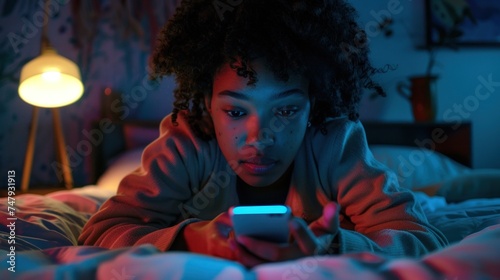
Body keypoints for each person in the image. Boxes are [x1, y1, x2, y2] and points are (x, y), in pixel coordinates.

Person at [79, 0, 448, 267]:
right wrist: (191, 240)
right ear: (207, 103)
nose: (260, 137)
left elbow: (421, 239)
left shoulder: (335, 145)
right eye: (236, 111)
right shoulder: (186, 145)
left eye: (286, 110)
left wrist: (333, 246)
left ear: (312, 104)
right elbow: (102, 232)